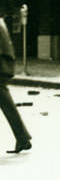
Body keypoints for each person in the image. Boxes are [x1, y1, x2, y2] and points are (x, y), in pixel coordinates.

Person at [0, 14, 30, 153]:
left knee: (7, 105)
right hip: (3, 65)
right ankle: (23, 138)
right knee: (7, 104)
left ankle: (23, 138)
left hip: (1, 65)